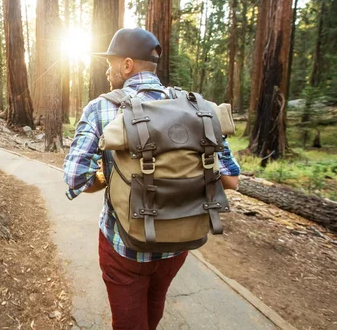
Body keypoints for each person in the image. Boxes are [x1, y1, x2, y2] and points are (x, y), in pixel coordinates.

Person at [63, 27, 241, 330]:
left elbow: (73, 178)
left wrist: (107, 178)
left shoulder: (102, 108)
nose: (107, 71)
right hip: (179, 240)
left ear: (127, 65)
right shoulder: (196, 107)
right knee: (154, 303)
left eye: (111, 63)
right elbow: (231, 180)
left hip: (124, 246)